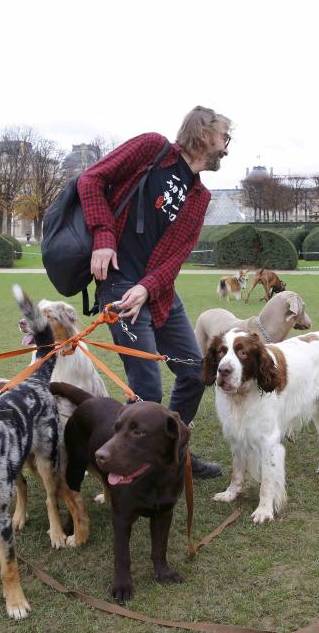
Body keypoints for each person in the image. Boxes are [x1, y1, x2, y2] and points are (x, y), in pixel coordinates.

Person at [77, 106, 232, 478]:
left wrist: (148, 287)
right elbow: (91, 180)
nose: (227, 146)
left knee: (196, 371)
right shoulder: (153, 150)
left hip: (157, 291)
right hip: (118, 282)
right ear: (204, 132)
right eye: (225, 137)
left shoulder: (199, 196)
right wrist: (103, 236)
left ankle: (172, 453)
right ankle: (132, 465)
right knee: (147, 384)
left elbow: (176, 256)